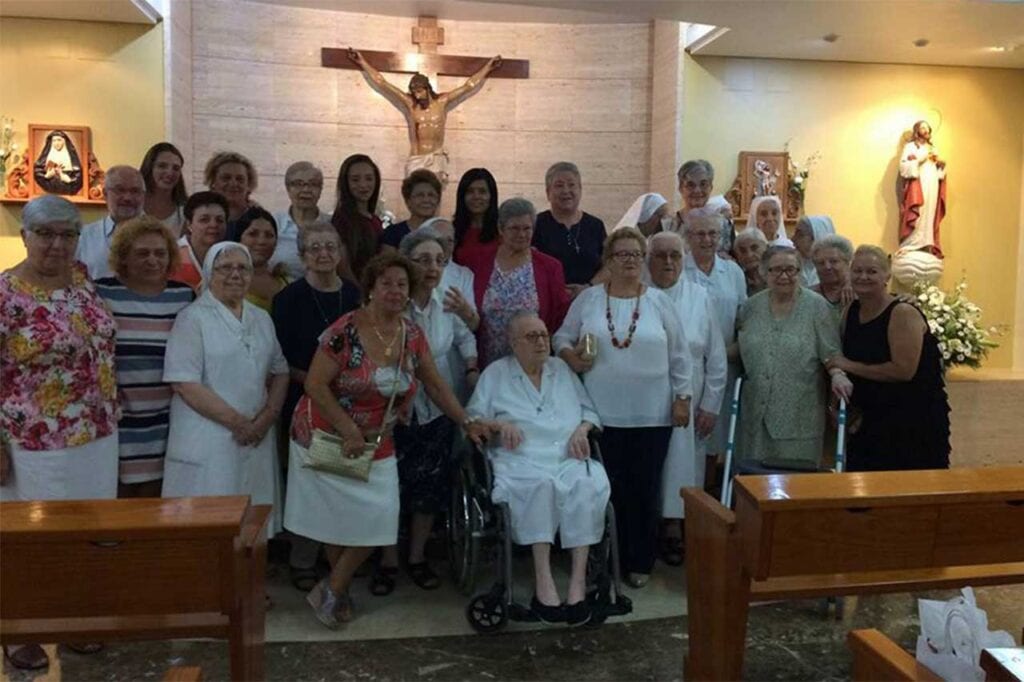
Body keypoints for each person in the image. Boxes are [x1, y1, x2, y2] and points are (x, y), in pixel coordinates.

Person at [283, 253, 489, 628]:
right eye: (387, 283)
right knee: (335, 521)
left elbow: (435, 383)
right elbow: (314, 384)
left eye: (403, 284)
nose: (396, 290)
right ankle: (337, 593)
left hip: (377, 438)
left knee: (379, 517)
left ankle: (330, 587)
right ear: (371, 289)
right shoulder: (344, 330)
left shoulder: (411, 333)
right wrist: (346, 428)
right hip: (325, 433)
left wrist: (465, 420)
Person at [1, 195, 118, 671]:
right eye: (46, 232)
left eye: (68, 233)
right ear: (26, 235)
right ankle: (20, 628)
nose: (57, 243)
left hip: (96, 435)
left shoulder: (83, 281)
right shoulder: (6, 295)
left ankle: (76, 620)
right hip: (32, 442)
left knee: (86, 535)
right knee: (32, 541)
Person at [554, 227, 692, 588]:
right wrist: (571, 357)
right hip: (601, 414)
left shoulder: (660, 302)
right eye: (621, 254)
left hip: (653, 414)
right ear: (608, 261)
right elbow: (561, 337)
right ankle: (601, 560)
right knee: (604, 489)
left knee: (644, 490)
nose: (629, 261)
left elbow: (680, 355)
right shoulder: (588, 300)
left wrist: (682, 397)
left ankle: (639, 560)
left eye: (635, 254)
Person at [469, 312, 609, 626]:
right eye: (531, 336)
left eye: (544, 334)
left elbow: (589, 411)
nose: (541, 342)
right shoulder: (496, 374)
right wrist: (499, 424)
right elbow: (473, 421)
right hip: (519, 460)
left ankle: (576, 585)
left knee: (587, 485)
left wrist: (582, 430)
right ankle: (543, 582)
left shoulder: (561, 369)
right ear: (513, 343)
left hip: (566, 455)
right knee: (539, 487)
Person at [372, 231, 479, 595]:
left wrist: (471, 366)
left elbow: (466, 336)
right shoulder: (389, 306)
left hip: (435, 408)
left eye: (438, 260)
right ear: (405, 263)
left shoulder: (444, 303)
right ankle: (387, 560)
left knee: (428, 487)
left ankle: (416, 558)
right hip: (390, 412)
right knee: (389, 487)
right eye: (422, 259)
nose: (432, 267)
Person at [162, 242, 289, 537]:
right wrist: (240, 424)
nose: (235, 274)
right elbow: (185, 383)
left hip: (256, 434)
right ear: (209, 272)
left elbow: (280, 371)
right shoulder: (192, 318)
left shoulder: (261, 319)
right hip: (210, 436)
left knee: (252, 524)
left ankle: (246, 580)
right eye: (225, 267)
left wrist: (266, 418)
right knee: (207, 523)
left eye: (242, 268)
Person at [272, 222, 360, 591]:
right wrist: (318, 384)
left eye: (330, 246)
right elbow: (277, 358)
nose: (324, 253)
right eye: (315, 247)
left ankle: (337, 557)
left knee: (342, 482)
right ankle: (303, 558)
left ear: (339, 253)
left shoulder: (355, 295)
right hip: (303, 400)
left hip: (350, 404)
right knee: (309, 483)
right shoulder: (288, 299)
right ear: (303, 255)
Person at [95, 216, 195, 497]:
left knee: (156, 505)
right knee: (115, 502)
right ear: (124, 257)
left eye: (160, 253)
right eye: (142, 253)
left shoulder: (184, 296)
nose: (153, 260)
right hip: (117, 420)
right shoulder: (101, 292)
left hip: (166, 420)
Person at [828, 246, 950, 471]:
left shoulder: (902, 312)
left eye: (872, 271)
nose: (863, 277)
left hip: (911, 421)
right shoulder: (850, 311)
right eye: (857, 271)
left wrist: (848, 365)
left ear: (887, 276)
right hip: (868, 420)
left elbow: (903, 371)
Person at [646, 232, 726, 566]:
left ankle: (676, 528)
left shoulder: (699, 296)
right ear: (648, 259)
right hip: (647, 394)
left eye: (675, 256)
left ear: (684, 259)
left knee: (683, 465)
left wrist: (710, 404)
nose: (668, 262)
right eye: (660, 255)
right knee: (652, 465)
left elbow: (716, 358)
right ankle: (647, 529)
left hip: (689, 394)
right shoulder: (639, 295)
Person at [736, 245, 852, 471]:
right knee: (754, 487)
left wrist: (838, 375)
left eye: (791, 270)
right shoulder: (751, 307)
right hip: (755, 417)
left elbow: (831, 352)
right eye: (776, 270)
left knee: (795, 486)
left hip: (799, 416)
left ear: (800, 272)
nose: (784, 276)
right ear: (763, 272)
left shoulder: (817, 306)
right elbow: (740, 348)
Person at [347, 48, 502, 184]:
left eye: (420, 90)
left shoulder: (442, 102)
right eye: (414, 91)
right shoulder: (411, 104)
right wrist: (362, 62)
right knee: (416, 198)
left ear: (427, 88)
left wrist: (488, 67)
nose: (417, 94)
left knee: (433, 199)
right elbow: (383, 83)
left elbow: (468, 86)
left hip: (436, 157)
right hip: (417, 158)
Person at [461, 197, 569, 367]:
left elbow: (559, 317)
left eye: (527, 228)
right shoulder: (478, 262)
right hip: (487, 363)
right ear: (500, 229)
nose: (521, 234)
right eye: (514, 228)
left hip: (533, 364)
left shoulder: (550, 267)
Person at [682, 208, 747, 474]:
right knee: (687, 437)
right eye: (700, 234)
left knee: (716, 435)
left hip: (726, 365)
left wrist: (730, 351)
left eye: (713, 234)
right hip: (689, 367)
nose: (707, 240)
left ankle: (707, 501)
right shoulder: (678, 269)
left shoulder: (732, 271)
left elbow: (742, 317)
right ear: (688, 237)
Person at [531, 162, 607, 297]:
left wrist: (587, 288)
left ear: (580, 189)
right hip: (548, 301)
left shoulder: (595, 226)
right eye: (559, 185)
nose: (566, 190)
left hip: (590, 299)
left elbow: (609, 265)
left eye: (572, 185)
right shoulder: (535, 225)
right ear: (548, 192)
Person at [76, 166, 145, 280]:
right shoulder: (84, 236)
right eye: (120, 190)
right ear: (105, 194)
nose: (127, 198)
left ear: (143, 196)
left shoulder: (160, 236)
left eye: (135, 191)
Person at [271, 161, 332, 280]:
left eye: (313, 184)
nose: (306, 189)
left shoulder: (332, 225)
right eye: (298, 184)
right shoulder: (274, 223)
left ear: (320, 190)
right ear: (288, 189)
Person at [331, 154, 383, 282]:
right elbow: (342, 266)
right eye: (355, 180)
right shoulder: (341, 220)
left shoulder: (375, 219)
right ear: (346, 183)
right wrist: (360, 294)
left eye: (369, 178)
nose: (363, 185)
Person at [227, 206, 290, 311]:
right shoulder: (223, 282)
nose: (261, 241)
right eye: (253, 234)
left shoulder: (287, 283)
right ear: (238, 239)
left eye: (269, 235)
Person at [899, 120, 946, 258]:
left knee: (929, 212)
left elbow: (939, 172)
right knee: (919, 210)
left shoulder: (933, 148)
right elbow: (904, 168)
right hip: (918, 183)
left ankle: (927, 242)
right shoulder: (910, 147)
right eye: (922, 128)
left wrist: (941, 166)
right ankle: (912, 242)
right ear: (917, 130)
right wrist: (921, 158)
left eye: (927, 128)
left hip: (931, 182)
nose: (925, 130)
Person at [669, 160, 736, 254]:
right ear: (680, 188)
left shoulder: (724, 224)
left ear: (711, 187)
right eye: (690, 185)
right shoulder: (669, 225)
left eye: (703, 184)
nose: (697, 190)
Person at [169, 191, 229, 291]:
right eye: (204, 219)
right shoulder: (171, 255)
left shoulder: (232, 256)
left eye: (220, 220)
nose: (213, 225)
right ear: (189, 224)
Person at [380, 169, 442, 251]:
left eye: (431, 195)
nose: (426, 200)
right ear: (408, 201)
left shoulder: (444, 232)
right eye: (420, 195)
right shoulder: (393, 234)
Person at [452, 167, 500, 264]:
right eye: (470, 191)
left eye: (482, 192)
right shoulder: (452, 232)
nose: (476, 196)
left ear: (491, 196)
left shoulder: (502, 231)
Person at [139, 142, 188, 236]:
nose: (170, 173)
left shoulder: (184, 211)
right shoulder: (134, 204)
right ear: (149, 168)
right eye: (162, 166)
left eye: (176, 168)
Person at [205, 151, 259, 227]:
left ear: (248, 185)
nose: (233, 184)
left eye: (240, 179)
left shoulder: (260, 218)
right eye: (226, 178)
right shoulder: (199, 217)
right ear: (213, 182)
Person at [810, 234, 855, 317]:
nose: (827, 267)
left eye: (834, 261)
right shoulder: (808, 297)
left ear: (847, 263)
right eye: (821, 263)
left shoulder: (859, 294)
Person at [33, 130, 83, 194]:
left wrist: (68, 179)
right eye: (54, 140)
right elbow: (37, 172)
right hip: (49, 190)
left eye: (59, 140)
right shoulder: (46, 156)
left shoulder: (71, 157)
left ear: (64, 141)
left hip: (67, 190)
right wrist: (46, 176)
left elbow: (79, 176)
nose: (56, 143)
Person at [793, 215, 836, 287]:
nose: (793, 239)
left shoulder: (837, 271)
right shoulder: (793, 265)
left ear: (816, 237)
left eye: (800, 235)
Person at [733, 228, 768, 296]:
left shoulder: (777, 277)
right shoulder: (735, 281)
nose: (749, 255)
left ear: (766, 248)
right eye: (743, 251)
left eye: (754, 248)